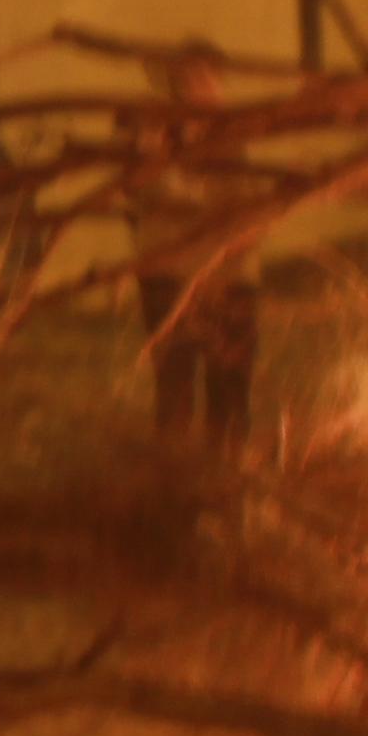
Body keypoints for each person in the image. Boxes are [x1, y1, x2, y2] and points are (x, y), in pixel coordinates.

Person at [137, 41, 260, 447]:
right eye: (187, 77)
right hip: (169, 273)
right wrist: (156, 162)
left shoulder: (236, 130)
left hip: (229, 273)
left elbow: (244, 196)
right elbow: (145, 193)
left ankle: (228, 473)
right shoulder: (154, 131)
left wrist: (181, 186)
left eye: (206, 76)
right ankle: (174, 479)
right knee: (174, 382)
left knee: (230, 385)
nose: (198, 86)